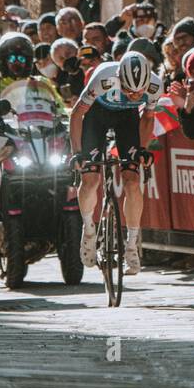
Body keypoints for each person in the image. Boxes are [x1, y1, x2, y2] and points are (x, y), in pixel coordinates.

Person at [70, 51, 162, 275]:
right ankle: (89, 229)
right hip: (96, 117)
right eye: (128, 90)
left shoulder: (155, 86)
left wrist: (142, 149)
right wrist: (78, 153)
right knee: (90, 180)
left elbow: (148, 118)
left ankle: (131, 245)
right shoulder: (103, 78)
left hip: (127, 120)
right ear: (119, 79)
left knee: (132, 181)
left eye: (138, 92)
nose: (133, 95)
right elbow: (76, 114)